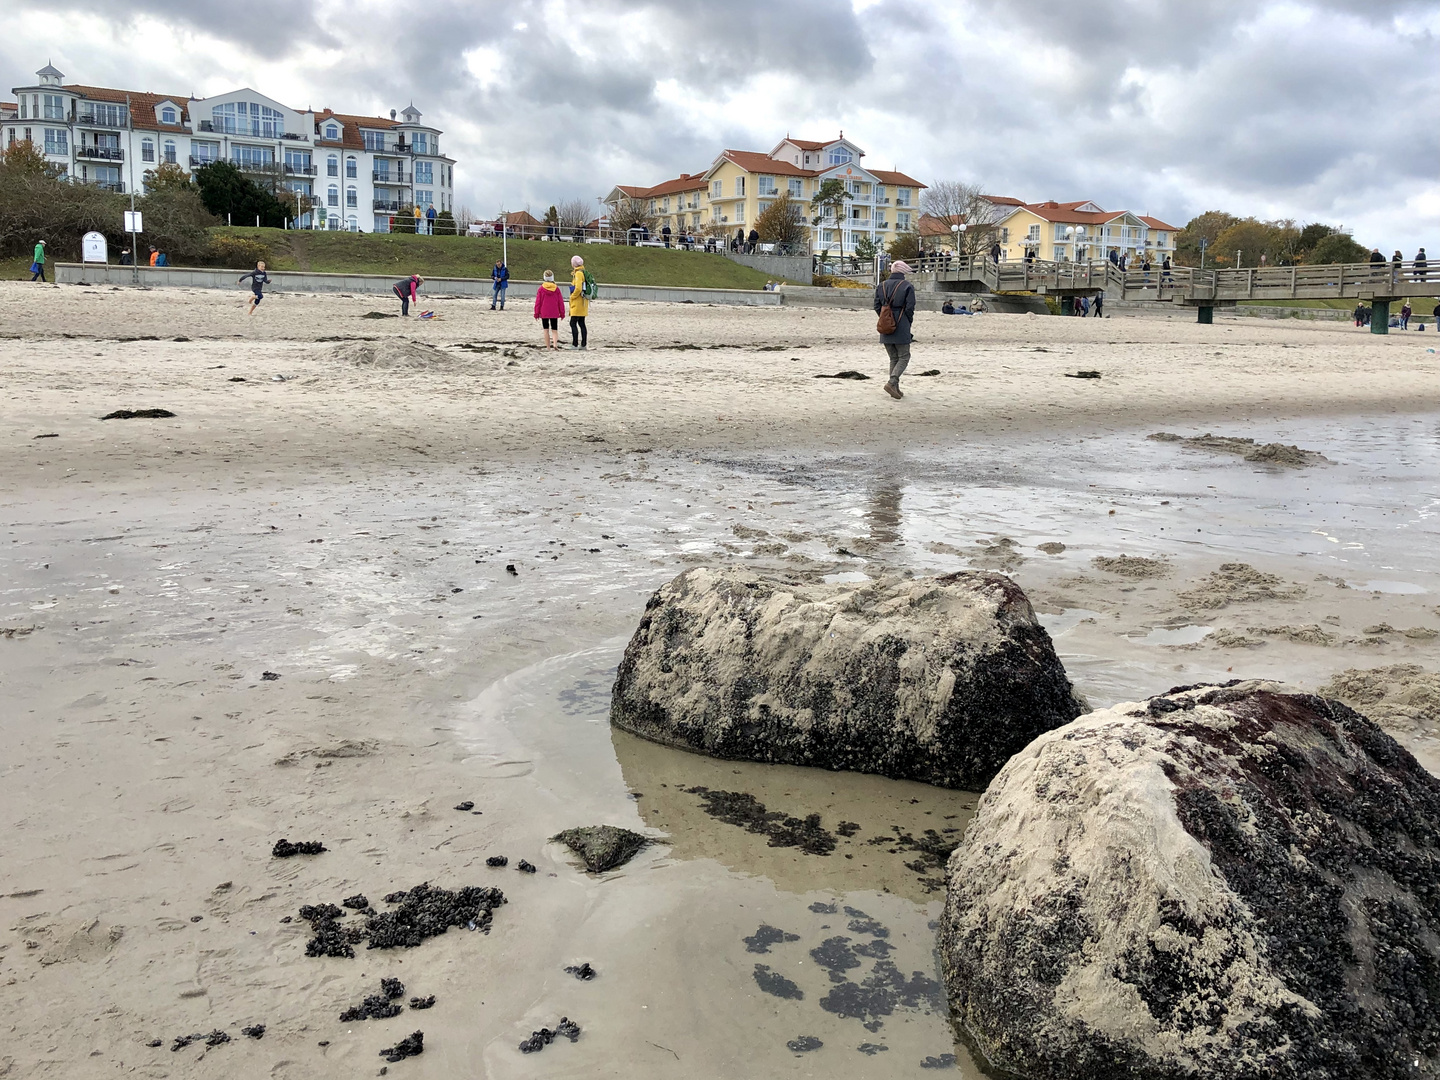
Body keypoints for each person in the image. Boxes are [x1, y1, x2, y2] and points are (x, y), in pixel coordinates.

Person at [873, 259, 916, 400]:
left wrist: (885, 317)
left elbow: (876, 306)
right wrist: (907, 321)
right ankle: (892, 383)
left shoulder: (881, 285)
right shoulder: (907, 286)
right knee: (904, 356)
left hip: (885, 324)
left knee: (893, 357)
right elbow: (910, 307)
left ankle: (895, 388)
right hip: (901, 322)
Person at [534, 269, 565, 349]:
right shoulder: (556, 289)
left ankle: (548, 347)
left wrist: (536, 313)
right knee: (554, 329)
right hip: (554, 312)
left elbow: (538, 302)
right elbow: (560, 302)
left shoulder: (541, 289)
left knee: (546, 329)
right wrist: (562, 313)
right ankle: (555, 344)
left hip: (544, 312)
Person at [567, 255, 590, 349]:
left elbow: (578, 288)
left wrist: (572, 296)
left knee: (573, 323)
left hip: (578, 302)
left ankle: (575, 344)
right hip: (583, 302)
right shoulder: (583, 272)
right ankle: (583, 344)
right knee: (581, 323)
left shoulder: (578, 274)